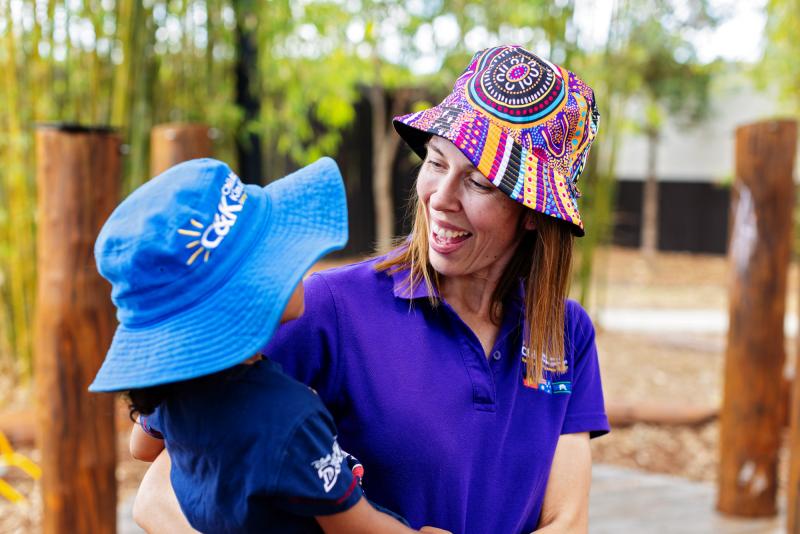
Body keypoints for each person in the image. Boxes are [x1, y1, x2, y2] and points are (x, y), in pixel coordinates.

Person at [134, 44, 609, 533]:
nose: (440, 198)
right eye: (436, 163)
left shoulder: (566, 333)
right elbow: (159, 491)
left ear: (533, 213)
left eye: (479, 183)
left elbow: (567, 521)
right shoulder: (330, 307)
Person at [89, 157, 446, 533]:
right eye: (280, 249)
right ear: (251, 294)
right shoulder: (290, 418)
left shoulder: (176, 389)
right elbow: (356, 527)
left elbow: (141, 447)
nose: (301, 257)